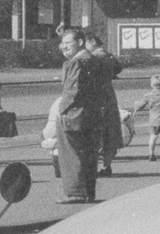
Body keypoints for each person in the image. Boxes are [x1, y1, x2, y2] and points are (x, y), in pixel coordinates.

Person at [54, 29, 99, 203]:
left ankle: (74, 192)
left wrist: (61, 110)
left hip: (73, 114)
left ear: (79, 42)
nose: (63, 46)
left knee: (70, 153)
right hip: (91, 113)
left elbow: (72, 90)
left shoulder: (76, 62)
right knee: (88, 153)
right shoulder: (93, 59)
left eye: (67, 43)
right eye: (62, 43)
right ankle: (88, 191)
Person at [84, 32, 127, 178]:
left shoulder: (94, 58)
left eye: (86, 43)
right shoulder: (108, 56)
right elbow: (118, 68)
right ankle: (107, 166)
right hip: (109, 94)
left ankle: (94, 167)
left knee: (97, 131)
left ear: (93, 42)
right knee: (110, 131)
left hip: (97, 95)